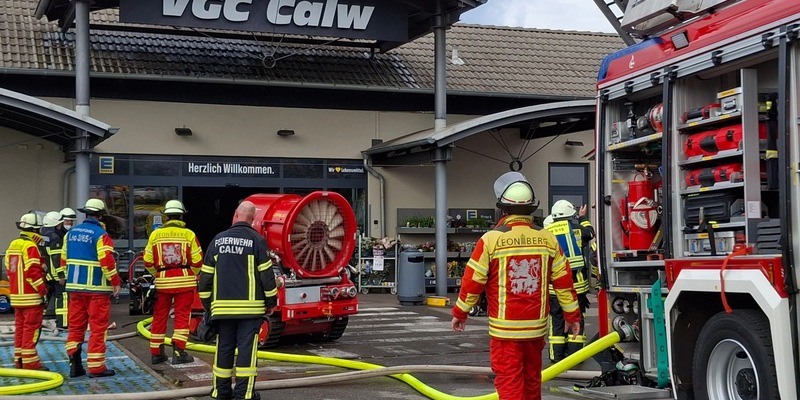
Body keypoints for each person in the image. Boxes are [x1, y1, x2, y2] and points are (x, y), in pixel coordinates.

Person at [451, 172, 581, 400]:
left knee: (509, 381)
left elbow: (473, 282)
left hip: (505, 331)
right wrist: (572, 315)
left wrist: (460, 312)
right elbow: (564, 283)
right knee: (532, 380)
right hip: (536, 329)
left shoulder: (491, 240)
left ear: (503, 209)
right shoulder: (548, 239)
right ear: (531, 207)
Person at [198, 201, 278, 400]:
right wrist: (271, 303)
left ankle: (221, 391)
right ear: (253, 218)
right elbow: (267, 277)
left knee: (223, 348)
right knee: (246, 352)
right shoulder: (257, 241)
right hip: (250, 311)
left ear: (235, 214)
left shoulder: (217, 240)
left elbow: (205, 279)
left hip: (222, 310)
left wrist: (209, 306)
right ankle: (243, 394)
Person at [62, 198, 122, 378]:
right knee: (97, 328)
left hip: (74, 289)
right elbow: (107, 262)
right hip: (96, 290)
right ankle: (96, 367)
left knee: (75, 327)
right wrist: (115, 282)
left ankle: (75, 365)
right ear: (101, 215)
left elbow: (63, 260)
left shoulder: (70, 234)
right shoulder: (101, 235)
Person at [143, 199, 203, 365]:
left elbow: (147, 261)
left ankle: (156, 353)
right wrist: (191, 274)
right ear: (181, 216)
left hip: (163, 282)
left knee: (159, 316)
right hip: (185, 282)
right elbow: (197, 261)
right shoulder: (189, 234)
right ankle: (178, 352)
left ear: (166, 217)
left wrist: (159, 274)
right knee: (182, 316)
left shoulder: (155, 235)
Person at [545, 199, 596, 364]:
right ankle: (575, 357)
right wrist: (582, 217)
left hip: (554, 288)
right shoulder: (578, 230)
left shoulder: (546, 232)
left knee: (557, 321)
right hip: (577, 287)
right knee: (576, 318)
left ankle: (556, 356)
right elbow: (590, 233)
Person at [5, 213, 49, 370]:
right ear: (35, 230)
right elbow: (32, 272)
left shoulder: (13, 244)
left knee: (20, 329)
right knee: (31, 329)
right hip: (31, 297)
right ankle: (30, 363)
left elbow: (9, 269)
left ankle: (19, 360)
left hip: (17, 296)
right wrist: (43, 290)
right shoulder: (30, 246)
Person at [41, 211, 69, 328]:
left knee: (45, 297)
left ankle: (41, 322)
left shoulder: (42, 235)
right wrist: (61, 275)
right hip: (56, 274)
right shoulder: (55, 237)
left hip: (47, 273)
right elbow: (56, 258)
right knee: (62, 297)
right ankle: (63, 323)